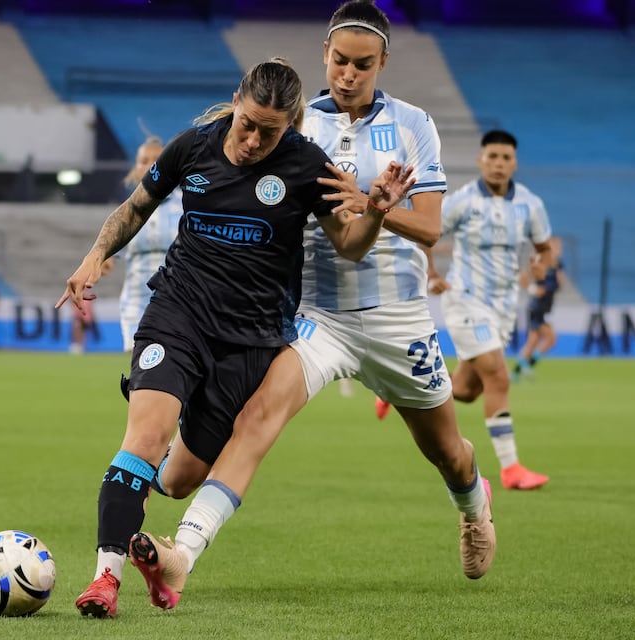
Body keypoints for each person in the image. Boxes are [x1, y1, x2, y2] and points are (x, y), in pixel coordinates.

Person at [128, 1, 496, 611]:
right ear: (324, 55)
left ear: (383, 62)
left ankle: (473, 507)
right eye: (340, 61)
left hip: (397, 315)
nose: (349, 74)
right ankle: (182, 556)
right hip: (316, 314)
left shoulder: (413, 124)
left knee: (446, 452)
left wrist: (375, 204)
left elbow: (431, 230)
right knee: (257, 420)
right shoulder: (297, 127)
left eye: (363, 64)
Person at [58, 57, 414, 619]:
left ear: (291, 124)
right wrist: (94, 257)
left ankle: (154, 543)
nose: (250, 139)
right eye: (246, 123)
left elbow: (349, 244)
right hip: (178, 314)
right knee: (144, 439)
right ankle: (105, 578)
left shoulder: (305, 165)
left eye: (267, 131)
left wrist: (375, 211)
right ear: (235, 103)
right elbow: (135, 209)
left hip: (249, 342)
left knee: (176, 480)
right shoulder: (193, 146)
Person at [422, 129, 552, 491]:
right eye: (492, 157)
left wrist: (541, 264)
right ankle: (511, 469)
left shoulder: (530, 204)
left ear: (514, 163)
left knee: (466, 390)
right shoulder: (462, 201)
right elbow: (427, 232)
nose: (498, 164)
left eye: (505, 158)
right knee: (499, 377)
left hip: (504, 309)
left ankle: (398, 385)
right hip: (465, 300)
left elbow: (545, 248)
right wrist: (432, 273)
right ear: (481, 160)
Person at [118, 136, 183, 352]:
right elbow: (112, 249)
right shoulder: (126, 211)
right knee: (138, 370)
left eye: (156, 160)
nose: (150, 166)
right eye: (144, 160)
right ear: (135, 166)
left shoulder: (187, 203)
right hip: (136, 302)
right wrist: (103, 261)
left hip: (177, 301)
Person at [513, 236, 564, 380]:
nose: (559, 250)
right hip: (537, 307)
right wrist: (533, 289)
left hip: (545, 307)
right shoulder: (540, 262)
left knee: (533, 341)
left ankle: (517, 372)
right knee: (551, 339)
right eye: (555, 247)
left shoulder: (558, 266)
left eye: (560, 247)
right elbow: (523, 277)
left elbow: (557, 285)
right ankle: (527, 365)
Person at [69, 257, 114, 354]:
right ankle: (76, 345)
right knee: (77, 327)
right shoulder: (77, 290)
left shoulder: (88, 291)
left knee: (82, 330)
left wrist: (91, 315)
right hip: (79, 313)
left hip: (86, 315)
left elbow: (90, 305)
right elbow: (73, 301)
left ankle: (80, 346)